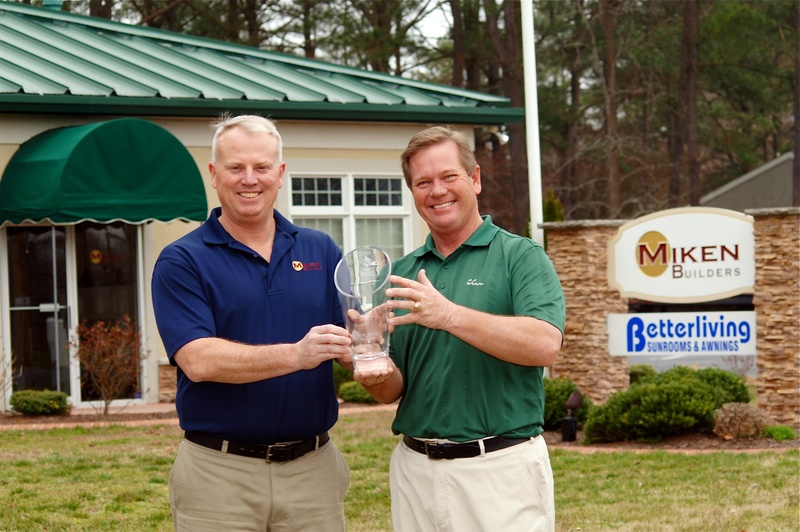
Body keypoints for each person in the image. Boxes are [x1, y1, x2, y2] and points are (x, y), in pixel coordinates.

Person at [353, 125, 566, 531]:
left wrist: (448, 314)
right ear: (413, 192)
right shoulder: (400, 274)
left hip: (499, 469)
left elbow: (544, 345)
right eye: (423, 182)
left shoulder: (520, 256)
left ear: (475, 179)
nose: (437, 191)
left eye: (449, 176)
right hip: (415, 470)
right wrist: (368, 354)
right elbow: (391, 390)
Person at [151, 114, 352, 531]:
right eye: (235, 167)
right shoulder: (183, 260)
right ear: (214, 174)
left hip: (313, 470)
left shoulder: (321, 250)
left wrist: (373, 339)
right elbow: (199, 360)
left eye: (261, 167)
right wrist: (298, 355)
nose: (250, 179)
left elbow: (351, 343)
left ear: (279, 174)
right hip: (219, 474)